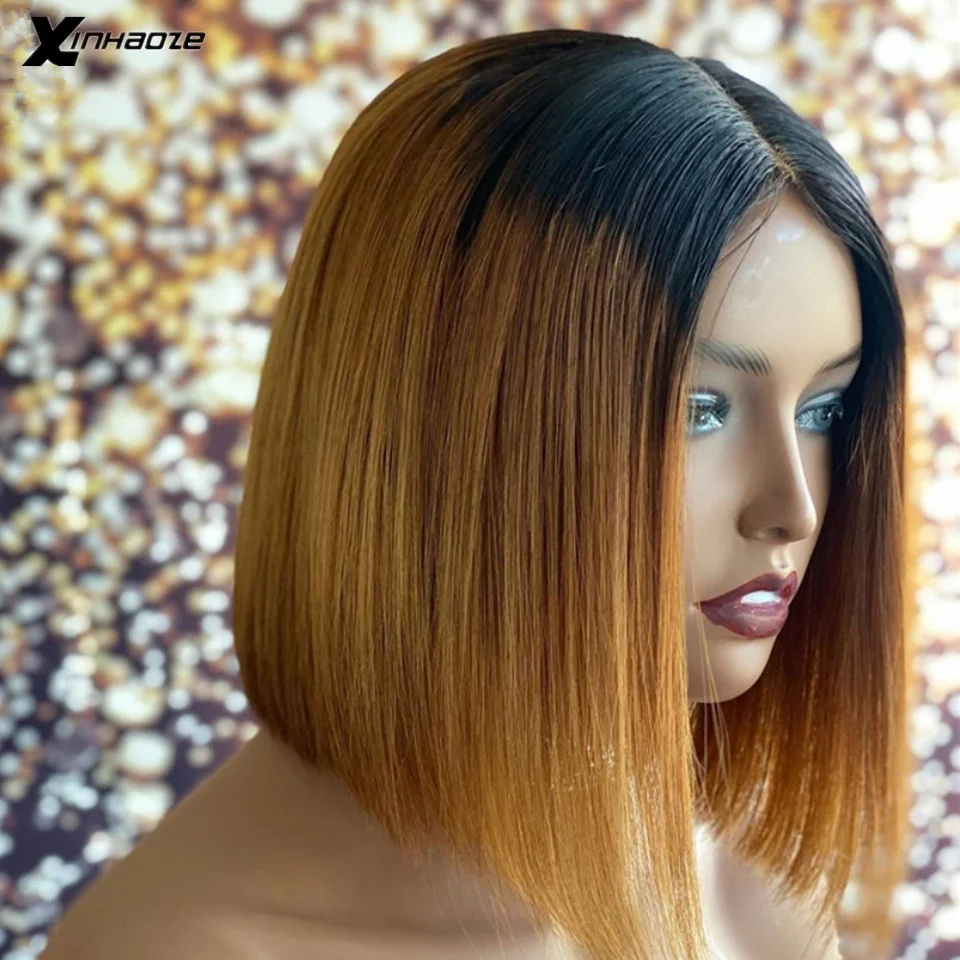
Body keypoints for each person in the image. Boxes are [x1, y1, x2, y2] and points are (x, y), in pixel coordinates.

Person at [41, 27, 916, 960]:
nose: (794, 509)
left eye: (823, 409)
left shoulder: (748, 875)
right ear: (440, 420)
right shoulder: (191, 948)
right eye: (698, 409)